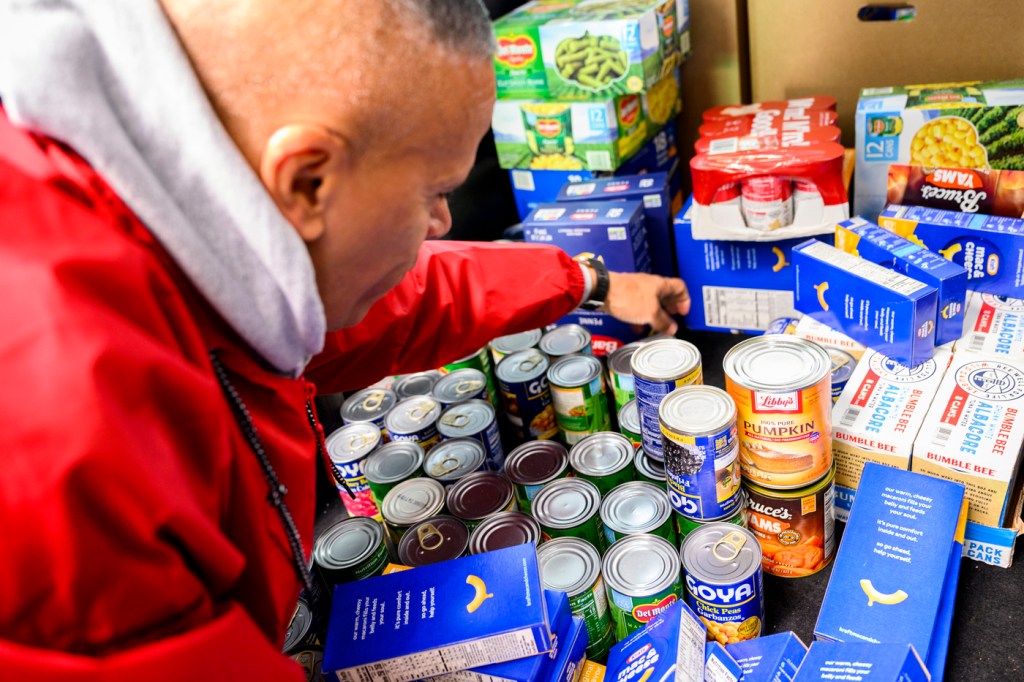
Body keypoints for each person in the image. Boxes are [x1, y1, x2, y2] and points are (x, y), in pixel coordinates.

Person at [0, 0, 690, 677]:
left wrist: (585, 280)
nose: (443, 222)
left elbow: (393, 299)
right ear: (306, 179)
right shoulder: (68, 439)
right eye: (432, 192)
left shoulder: (177, 193)